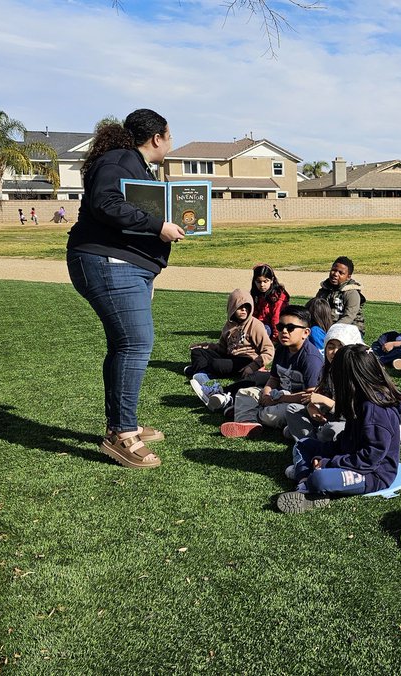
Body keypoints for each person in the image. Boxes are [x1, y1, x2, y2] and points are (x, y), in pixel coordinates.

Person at [65, 108, 184, 469]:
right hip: (108, 262)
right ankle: (121, 434)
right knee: (136, 343)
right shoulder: (117, 161)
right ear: (157, 137)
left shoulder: (135, 166)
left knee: (126, 344)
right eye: (170, 135)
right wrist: (158, 225)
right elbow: (105, 203)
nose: (171, 141)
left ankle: (123, 421)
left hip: (126, 267)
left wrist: (148, 271)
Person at [273, 344, 401, 513]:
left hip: (373, 473)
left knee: (320, 479)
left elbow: (370, 459)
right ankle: (305, 484)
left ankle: (310, 482)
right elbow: (346, 441)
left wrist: (329, 463)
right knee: (303, 444)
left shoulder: (376, 411)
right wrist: (327, 455)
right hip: (350, 456)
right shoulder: (358, 399)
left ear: (348, 378)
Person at [199, 305, 324, 438]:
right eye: (280, 327)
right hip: (279, 395)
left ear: (306, 332)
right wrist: (266, 394)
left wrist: (279, 399)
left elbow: (310, 395)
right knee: (244, 392)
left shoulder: (311, 358)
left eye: (291, 328)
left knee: (271, 415)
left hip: (298, 403)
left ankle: (247, 413)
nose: (284, 331)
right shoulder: (281, 349)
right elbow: (274, 378)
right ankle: (248, 422)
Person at [185, 288, 274, 379]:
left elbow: (269, 350)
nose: (244, 309)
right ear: (232, 307)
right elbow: (222, 348)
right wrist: (206, 346)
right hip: (229, 356)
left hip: (246, 360)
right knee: (197, 352)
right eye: (240, 306)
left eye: (247, 306)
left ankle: (201, 370)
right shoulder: (229, 325)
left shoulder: (255, 325)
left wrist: (254, 366)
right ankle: (201, 373)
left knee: (217, 364)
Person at [314, 256, 366, 334]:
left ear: (348, 277)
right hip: (326, 327)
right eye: (333, 270)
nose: (335, 274)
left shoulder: (351, 293)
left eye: (341, 273)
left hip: (349, 329)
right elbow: (315, 308)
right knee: (314, 331)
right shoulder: (324, 290)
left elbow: (349, 317)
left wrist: (332, 329)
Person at [249, 263, 289, 340]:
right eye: (258, 281)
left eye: (265, 281)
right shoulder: (256, 294)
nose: (262, 285)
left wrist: (276, 338)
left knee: (263, 330)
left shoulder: (278, 296)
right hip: (259, 324)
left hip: (275, 327)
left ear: (272, 280)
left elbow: (276, 318)